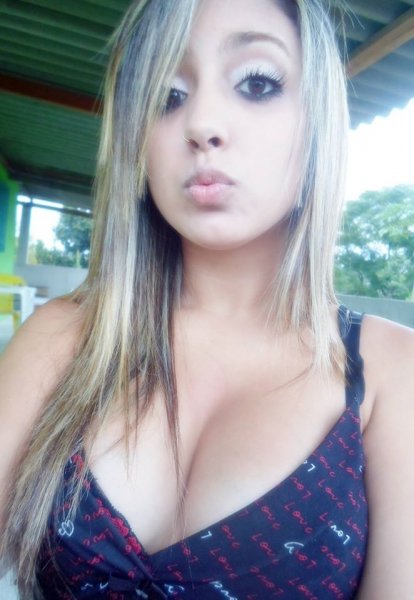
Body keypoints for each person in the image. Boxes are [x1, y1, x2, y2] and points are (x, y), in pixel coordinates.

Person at [1, 0, 413, 598]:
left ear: (317, 120)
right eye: (166, 96)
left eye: (257, 83)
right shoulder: (63, 338)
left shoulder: (391, 374)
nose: (201, 123)